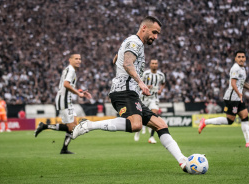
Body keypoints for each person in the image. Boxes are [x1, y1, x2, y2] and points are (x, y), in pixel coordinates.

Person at [72, 16, 189, 172]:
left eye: (158, 34)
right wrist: (140, 82)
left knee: (161, 125)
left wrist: (135, 80)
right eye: (154, 32)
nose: (156, 37)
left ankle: (183, 161)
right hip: (123, 91)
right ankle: (89, 125)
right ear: (144, 28)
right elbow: (127, 63)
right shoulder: (135, 42)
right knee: (136, 125)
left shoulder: (132, 42)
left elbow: (116, 60)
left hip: (130, 91)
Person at [198, 50, 249, 148]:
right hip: (232, 98)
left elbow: (243, 83)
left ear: (245, 58)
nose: (241, 58)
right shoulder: (235, 68)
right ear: (235, 58)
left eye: (243, 57)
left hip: (238, 97)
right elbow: (233, 83)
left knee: (244, 116)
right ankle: (205, 122)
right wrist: (239, 94)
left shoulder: (243, 69)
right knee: (230, 120)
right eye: (239, 57)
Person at [34, 54, 92, 154]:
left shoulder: (69, 69)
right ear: (70, 60)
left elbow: (67, 85)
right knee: (72, 127)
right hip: (64, 100)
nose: (78, 61)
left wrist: (79, 92)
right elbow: (66, 84)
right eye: (76, 59)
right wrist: (78, 93)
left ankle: (64, 149)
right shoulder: (71, 70)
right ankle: (44, 126)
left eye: (80, 59)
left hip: (67, 99)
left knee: (74, 125)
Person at [134, 59, 166, 144]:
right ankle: (138, 131)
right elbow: (138, 83)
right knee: (140, 116)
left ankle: (151, 137)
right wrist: (145, 86)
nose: (154, 65)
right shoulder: (146, 74)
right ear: (150, 64)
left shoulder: (161, 75)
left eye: (156, 63)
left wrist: (161, 90)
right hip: (144, 98)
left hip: (154, 98)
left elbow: (163, 83)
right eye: (153, 63)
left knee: (154, 115)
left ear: (157, 65)